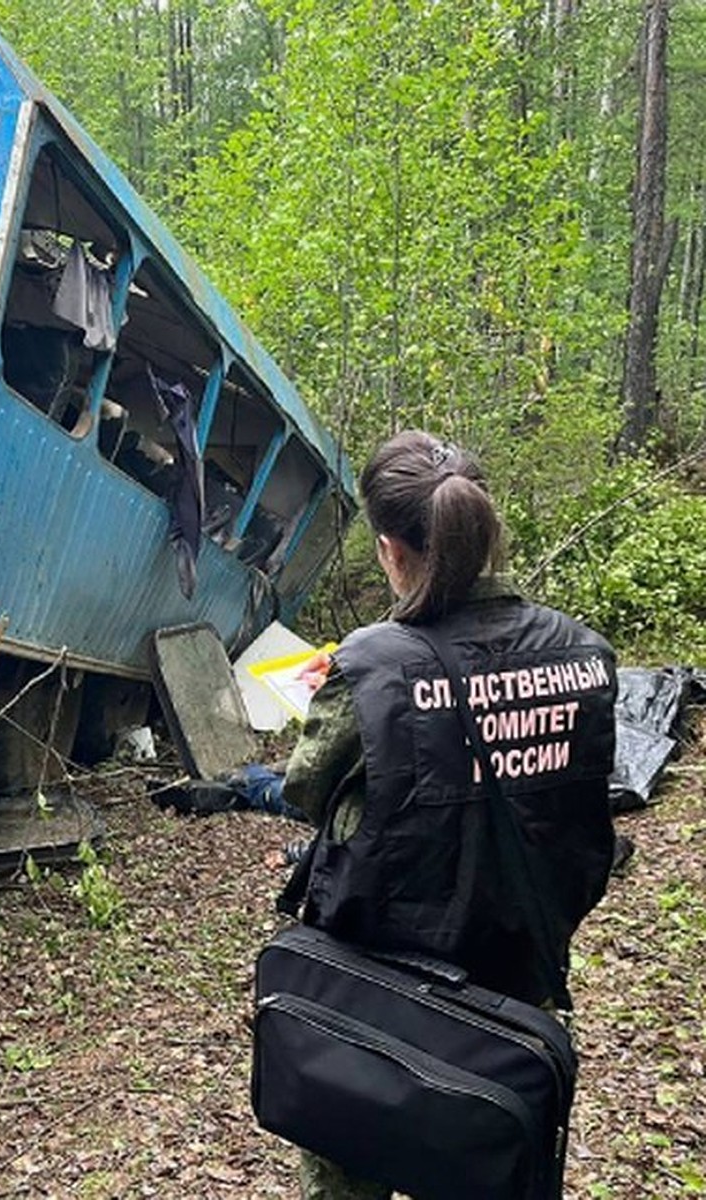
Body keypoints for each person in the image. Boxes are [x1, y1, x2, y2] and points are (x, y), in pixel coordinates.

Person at [279, 430, 617, 1200]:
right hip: (512, 992)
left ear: (391, 551)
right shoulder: (585, 654)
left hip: (374, 995)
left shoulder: (371, 664)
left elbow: (307, 789)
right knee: (478, 1167)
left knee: (349, 1173)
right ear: (487, 528)